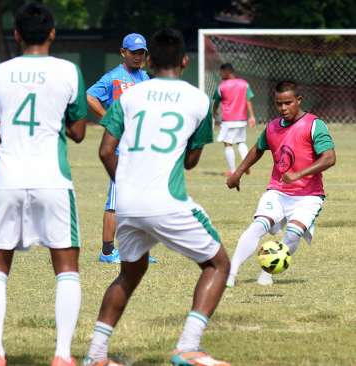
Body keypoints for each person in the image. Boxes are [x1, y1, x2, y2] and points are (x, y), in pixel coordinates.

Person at [83, 28, 231, 366]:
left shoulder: (130, 97)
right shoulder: (198, 99)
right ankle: (188, 347)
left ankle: (95, 355)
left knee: (129, 273)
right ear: (184, 61)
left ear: (149, 60)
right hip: (166, 200)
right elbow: (191, 161)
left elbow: (106, 151)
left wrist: (125, 183)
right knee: (218, 264)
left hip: (127, 203)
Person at [0, 3, 87, 366]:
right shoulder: (68, 71)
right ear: (52, 34)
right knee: (66, 265)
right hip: (52, 179)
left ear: (16, 35)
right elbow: (77, 132)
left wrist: (13, 155)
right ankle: (61, 354)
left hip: (7, 177)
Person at [226, 81, 336, 287]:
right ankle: (231, 274)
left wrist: (299, 174)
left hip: (309, 196)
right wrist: (238, 172)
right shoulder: (272, 127)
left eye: (288, 103)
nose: (283, 108)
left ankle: (267, 272)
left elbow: (329, 158)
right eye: (279, 104)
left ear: (298, 100)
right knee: (258, 226)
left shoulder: (314, 124)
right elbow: (258, 149)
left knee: (293, 235)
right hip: (278, 190)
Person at [87, 33, 152, 264]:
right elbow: (91, 96)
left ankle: (140, 250)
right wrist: (108, 119)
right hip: (120, 150)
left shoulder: (145, 77)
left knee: (141, 200)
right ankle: (106, 252)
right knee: (115, 201)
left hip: (141, 149)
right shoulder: (114, 78)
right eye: (133, 52)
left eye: (141, 53)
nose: (138, 57)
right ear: (123, 52)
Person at [212, 63, 256, 176]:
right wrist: (251, 116)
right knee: (241, 142)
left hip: (228, 120)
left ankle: (232, 171)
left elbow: (216, 102)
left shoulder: (222, 86)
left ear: (227, 72)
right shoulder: (244, 84)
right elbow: (248, 100)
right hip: (241, 120)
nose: (220, 74)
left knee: (228, 144)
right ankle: (247, 166)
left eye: (221, 72)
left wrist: (214, 112)